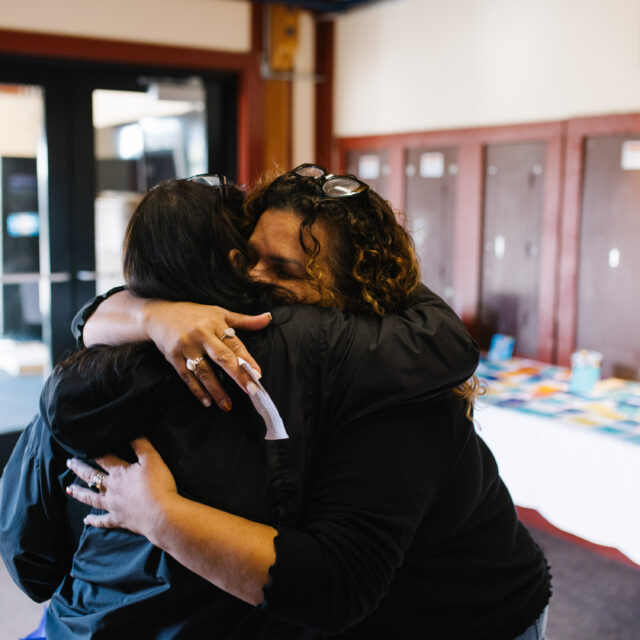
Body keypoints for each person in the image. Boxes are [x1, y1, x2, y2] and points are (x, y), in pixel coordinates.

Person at [1, 167, 550, 639]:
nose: (253, 283)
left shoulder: (395, 395)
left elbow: (337, 586)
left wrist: (158, 515)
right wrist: (147, 315)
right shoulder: (250, 349)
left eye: (284, 271)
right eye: (247, 261)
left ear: (354, 295)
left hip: (464, 615)